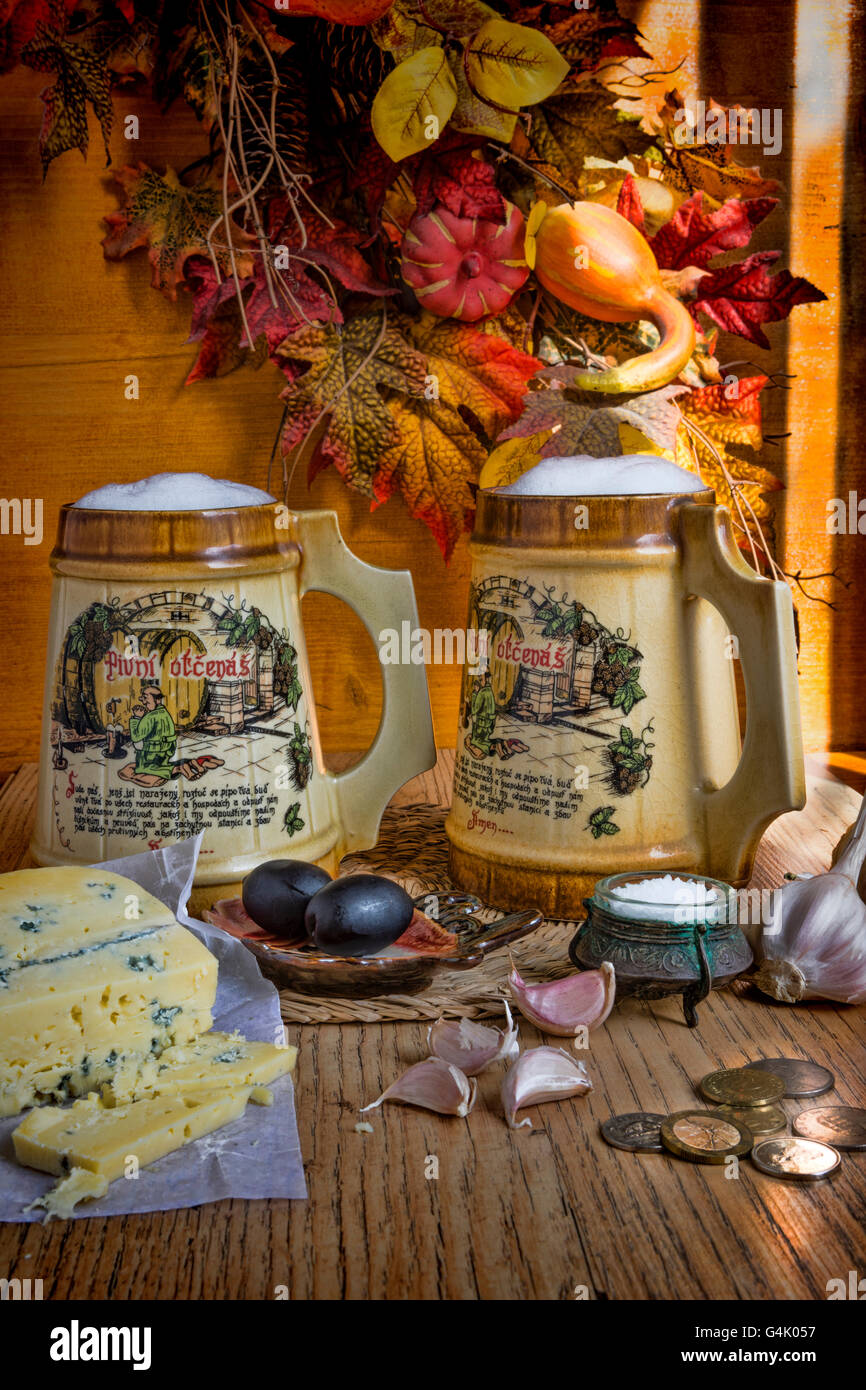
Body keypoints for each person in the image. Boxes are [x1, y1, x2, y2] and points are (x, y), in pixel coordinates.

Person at [119, 686, 176, 786]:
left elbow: (136, 736)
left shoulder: (150, 717)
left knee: (137, 746)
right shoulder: (165, 713)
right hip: (166, 752)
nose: (144, 702)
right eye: (143, 698)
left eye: (146, 698)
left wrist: (136, 717)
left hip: (151, 754)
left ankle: (164, 771)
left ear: (157, 700)